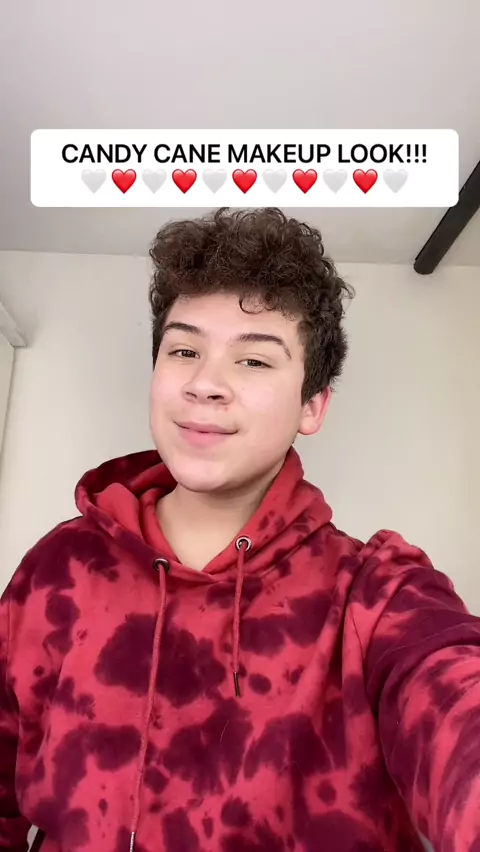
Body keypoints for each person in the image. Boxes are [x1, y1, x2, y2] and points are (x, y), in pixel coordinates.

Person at [1, 207, 480, 852]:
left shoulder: (375, 596)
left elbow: (453, 703)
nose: (205, 384)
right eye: (184, 351)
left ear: (312, 406)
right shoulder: (61, 567)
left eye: (254, 360)